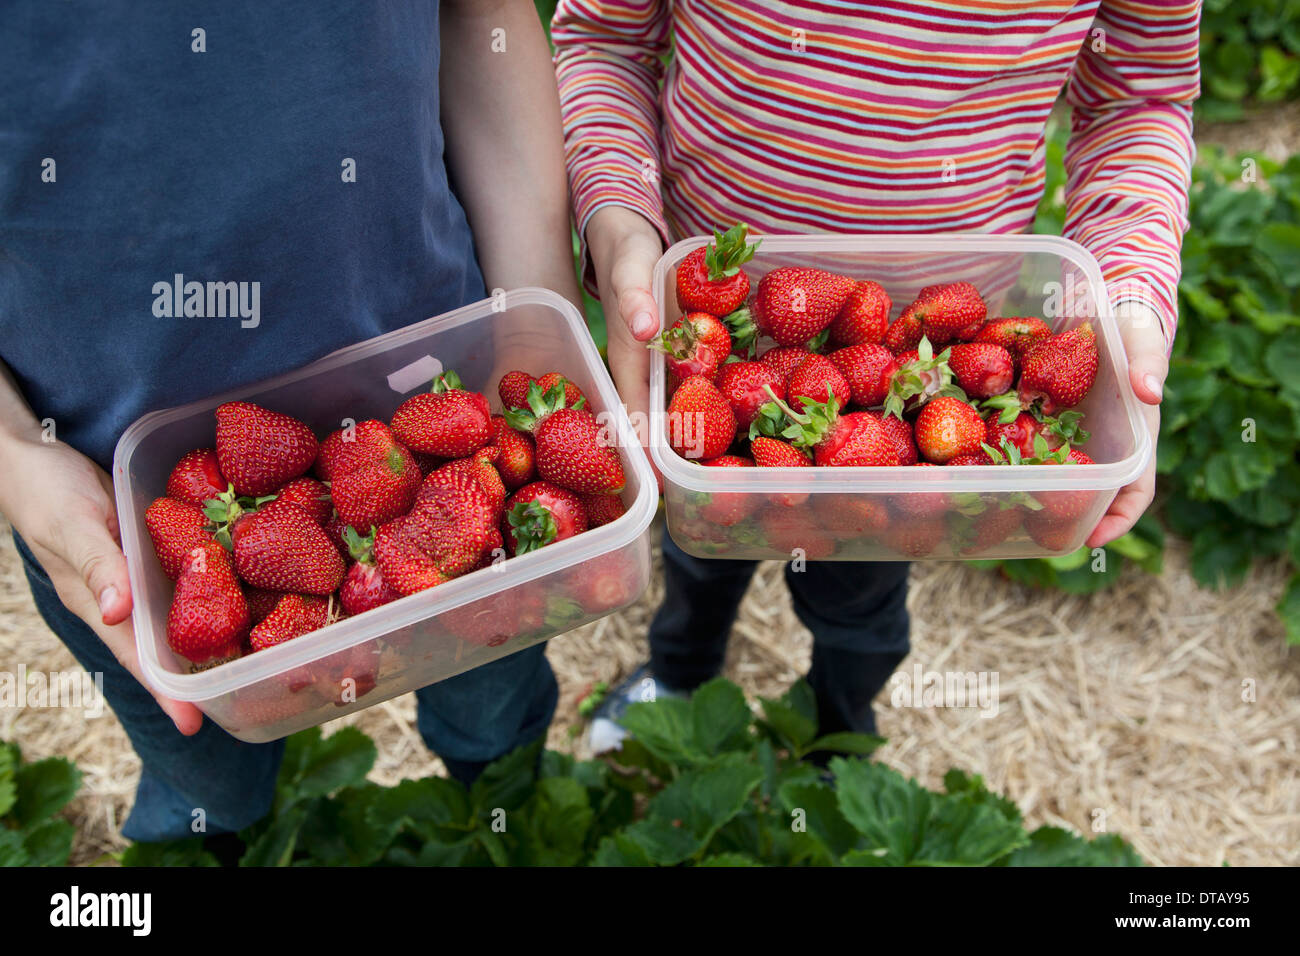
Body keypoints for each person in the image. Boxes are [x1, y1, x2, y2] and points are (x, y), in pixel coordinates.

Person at [0, 1, 579, 845]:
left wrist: (534, 318)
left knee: (490, 693)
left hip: (455, 401)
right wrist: (16, 455)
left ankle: (497, 799)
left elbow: (479, 17)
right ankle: (213, 834)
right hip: (120, 504)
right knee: (203, 757)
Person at [552, 0, 1196, 749]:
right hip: (713, 332)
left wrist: (1125, 295)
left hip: (924, 379)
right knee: (701, 543)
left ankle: (839, 731)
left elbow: (1138, 97)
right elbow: (606, 38)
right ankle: (681, 676)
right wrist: (621, 218)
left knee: (863, 584)